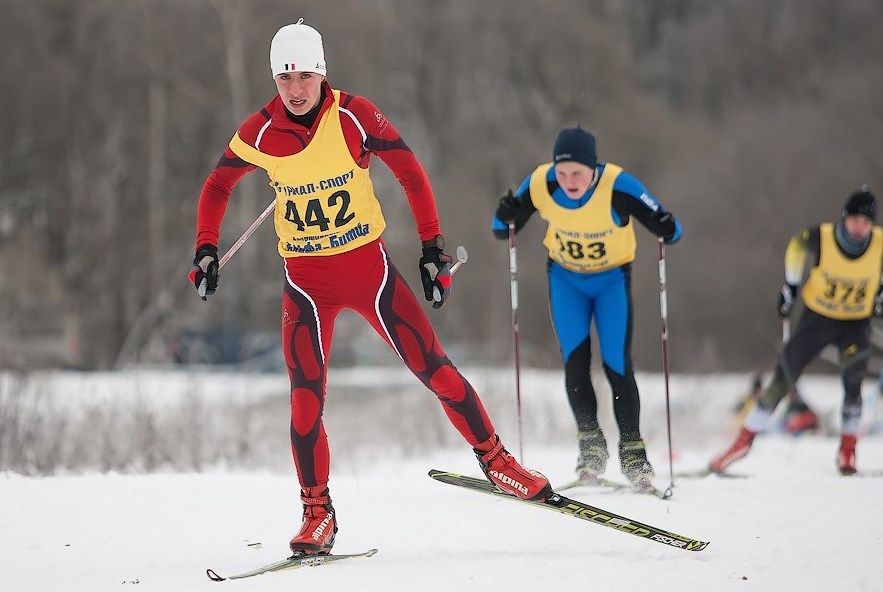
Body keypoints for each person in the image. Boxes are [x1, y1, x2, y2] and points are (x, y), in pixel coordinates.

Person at [189, 20, 550, 556]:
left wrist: (432, 249)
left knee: (436, 370)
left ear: (322, 72)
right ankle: (318, 513)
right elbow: (218, 185)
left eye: (305, 74)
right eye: (285, 76)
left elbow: (410, 172)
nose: (295, 87)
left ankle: (497, 462)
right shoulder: (261, 131)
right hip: (306, 285)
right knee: (305, 404)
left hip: (369, 273)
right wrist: (205, 248)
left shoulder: (354, 115)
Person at [491, 127, 682, 488]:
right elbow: (502, 228)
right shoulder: (541, 182)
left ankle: (633, 454)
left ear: (593, 167)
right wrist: (506, 215)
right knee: (575, 362)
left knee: (615, 363)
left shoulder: (618, 185)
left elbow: (672, 230)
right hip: (566, 281)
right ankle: (591, 449)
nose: (568, 181)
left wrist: (665, 225)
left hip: (611, 282)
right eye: (562, 173)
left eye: (577, 173)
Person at [710, 186, 883, 475]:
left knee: (853, 382)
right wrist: (790, 286)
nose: (859, 228)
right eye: (854, 220)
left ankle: (848, 452)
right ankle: (741, 443)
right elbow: (796, 247)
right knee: (784, 376)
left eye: (865, 223)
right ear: (844, 218)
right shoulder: (821, 237)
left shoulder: (878, 244)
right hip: (818, 319)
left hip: (855, 324)